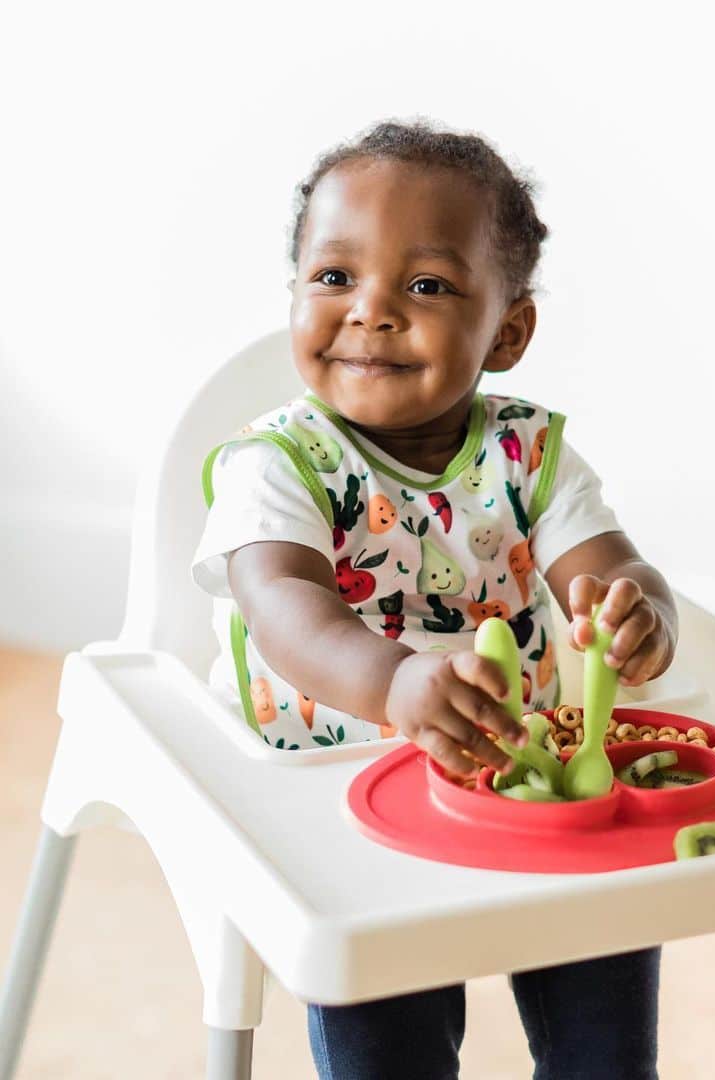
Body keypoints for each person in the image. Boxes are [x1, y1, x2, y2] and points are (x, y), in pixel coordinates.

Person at [191, 118, 677, 1080]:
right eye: (334, 278)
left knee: (607, 1036)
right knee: (391, 1053)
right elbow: (283, 603)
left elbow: (605, 562)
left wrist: (635, 609)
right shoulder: (277, 464)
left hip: (528, 770)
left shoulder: (529, 455)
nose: (370, 311)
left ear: (508, 330)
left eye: (426, 286)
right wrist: (396, 682)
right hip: (341, 783)